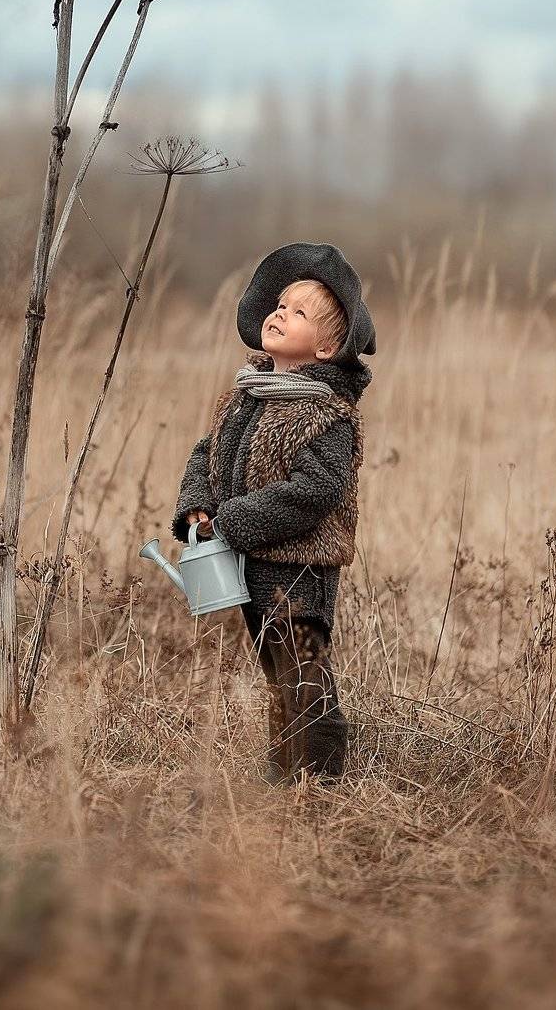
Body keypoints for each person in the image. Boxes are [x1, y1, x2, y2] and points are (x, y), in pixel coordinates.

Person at [170, 243, 376, 784]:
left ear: (327, 349)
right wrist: (198, 505)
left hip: (299, 566)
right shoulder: (245, 398)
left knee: (302, 669)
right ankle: (287, 771)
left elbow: (317, 489)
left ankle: (321, 778)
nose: (281, 313)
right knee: (276, 669)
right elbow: (205, 452)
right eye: (280, 304)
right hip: (251, 561)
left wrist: (235, 521)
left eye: (300, 312)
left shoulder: (325, 413)